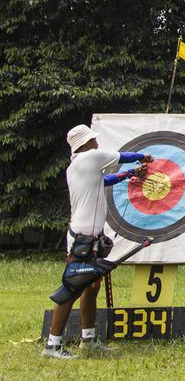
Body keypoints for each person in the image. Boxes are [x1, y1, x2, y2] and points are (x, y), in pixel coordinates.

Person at [43, 124, 151, 359]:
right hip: (83, 238)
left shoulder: (78, 166)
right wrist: (144, 157)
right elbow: (125, 156)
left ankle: (89, 339)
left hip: (88, 238)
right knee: (71, 290)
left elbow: (103, 181)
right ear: (85, 143)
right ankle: (52, 346)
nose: (97, 143)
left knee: (91, 288)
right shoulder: (90, 157)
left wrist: (128, 175)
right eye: (93, 140)